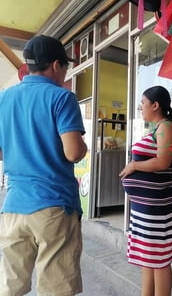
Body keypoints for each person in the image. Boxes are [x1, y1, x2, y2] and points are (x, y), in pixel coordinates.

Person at [0, 35, 88, 295]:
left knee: (11, 287)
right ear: (56, 65)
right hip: (54, 206)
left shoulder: (5, 99)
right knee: (56, 288)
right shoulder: (62, 98)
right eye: (66, 67)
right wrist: (83, 147)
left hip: (14, 206)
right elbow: (73, 152)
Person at [120, 85, 172, 296]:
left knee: (159, 258)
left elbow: (163, 162)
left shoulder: (166, 127)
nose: (140, 108)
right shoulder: (157, 129)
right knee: (148, 257)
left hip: (157, 206)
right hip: (145, 206)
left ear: (155, 105)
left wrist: (134, 166)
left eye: (143, 103)